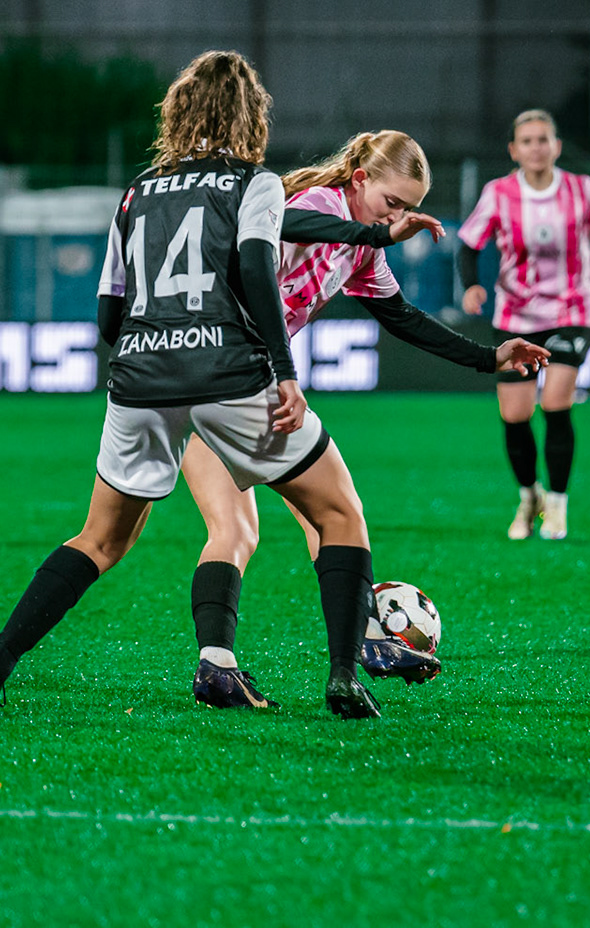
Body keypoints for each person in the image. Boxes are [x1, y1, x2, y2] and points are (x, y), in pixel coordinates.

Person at [0, 51, 387, 720]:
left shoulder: (135, 194)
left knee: (100, 539)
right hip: (229, 375)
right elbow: (253, 269)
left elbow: (108, 316)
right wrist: (282, 371)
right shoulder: (258, 185)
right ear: (251, 116)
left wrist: (157, 354)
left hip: (140, 376)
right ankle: (341, 678)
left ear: (178, 114)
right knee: (339, 513)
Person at [179, 130, 551, 703]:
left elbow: (399, 314)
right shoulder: (321, 206)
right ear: (359, 180)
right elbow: (281, 224)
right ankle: (361, 651)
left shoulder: (359, 244)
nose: (399, 218)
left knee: (238, 529)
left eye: (409, 209)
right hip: (241, 378)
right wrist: (374, 231)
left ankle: (215, 665)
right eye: (392, 203)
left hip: (200, 380)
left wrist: (488, 357)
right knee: (336, 514)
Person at [457, 110, 590, 542]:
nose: (536, 147)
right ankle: (528, 496)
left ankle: (557, 504)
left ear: (557, 146)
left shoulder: (581, 190)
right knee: (515, 415)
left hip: (572, 309)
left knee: (555, 404)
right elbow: (469, 245)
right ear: (514, 150)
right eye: (527, 141)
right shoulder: (499, 194)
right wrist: (473, 286)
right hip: (515, 315)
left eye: (543, 139)